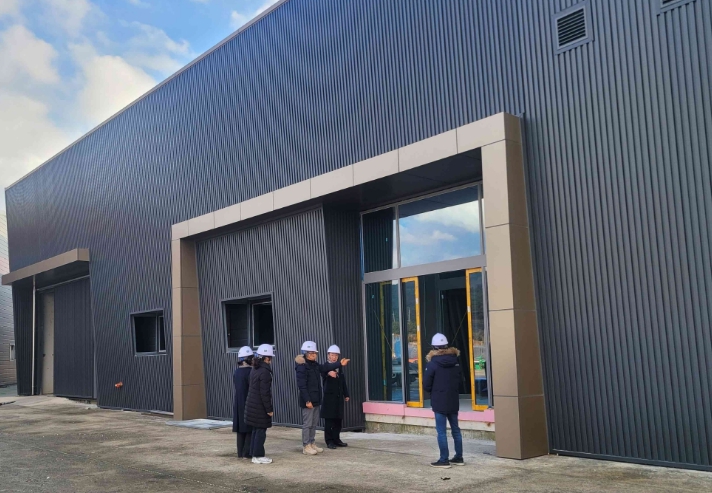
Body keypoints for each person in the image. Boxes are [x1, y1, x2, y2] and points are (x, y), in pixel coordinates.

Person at [294, 341, 350, 455]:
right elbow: (302, 385)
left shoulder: (315, 365)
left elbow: (326, 367)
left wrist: (339, 364)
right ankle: (306, 445)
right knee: (308, 424)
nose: (313, 355)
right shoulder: (302, 366)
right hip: (308, 400)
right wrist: (307, 400)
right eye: (311, 353)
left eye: (315, 353)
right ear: (305, 353)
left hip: (316, 399)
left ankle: (312, 442)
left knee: (314, 423)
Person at [423, 333, 464, 468]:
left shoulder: (432, 363)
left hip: (439, 400)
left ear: (434, 347)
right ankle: (459, 457)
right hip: (453, 399)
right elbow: (460, 380)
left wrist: (434, 391)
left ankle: (444, 460)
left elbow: (426, 384)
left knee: (441, 432)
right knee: (456, 430)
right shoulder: (455, 361)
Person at [245, 344, 275, 464]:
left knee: (256, 430)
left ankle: (254, 455)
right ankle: (258, 455)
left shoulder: (255, 368)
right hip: (260, 407)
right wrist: (269, 409)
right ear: (267, 358)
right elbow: (265, 393)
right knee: (260, 432)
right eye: (270, 357)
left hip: (252, 404)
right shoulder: (265, 372)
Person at [320, 345, 350, 449]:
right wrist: (328, 373)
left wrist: (346, 394)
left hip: (338, 397)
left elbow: (342, 381)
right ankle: (329, 441)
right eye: (332, 355)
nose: (334, 357)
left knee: (338, 420)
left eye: (336, 355)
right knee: (329, 421)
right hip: (329, 398)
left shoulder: (339, 367)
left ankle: (336, 439)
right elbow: (324, 372)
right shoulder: (325, 366)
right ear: (328, 355)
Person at [232, 346, 254, 459]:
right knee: (250, 428)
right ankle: (247, 452)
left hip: (238, 402)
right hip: (248, 402)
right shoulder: (250, 372)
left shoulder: (237, 372)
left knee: (240, 429)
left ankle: (240, 452)